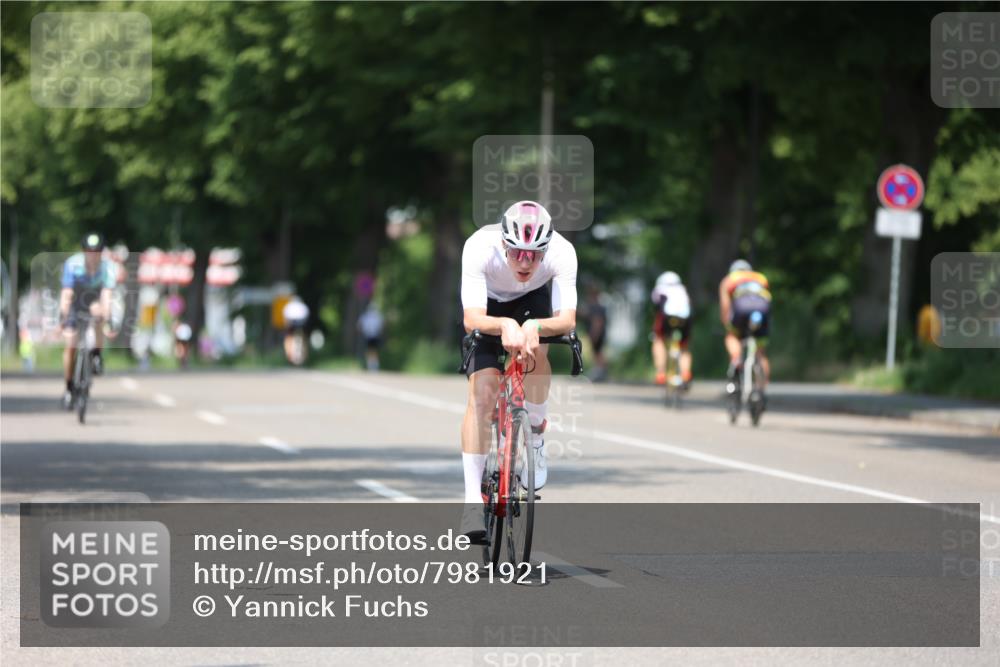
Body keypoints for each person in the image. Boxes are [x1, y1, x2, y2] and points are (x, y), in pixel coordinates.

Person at [459, 200, 577, 541]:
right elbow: (471, 318)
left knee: (537, 352)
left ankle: (535, 437)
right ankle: (471, 501)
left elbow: (567, 320)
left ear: (547, 248)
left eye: (535, 254)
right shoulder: (479, 246)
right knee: (482, 396)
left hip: (532, 303)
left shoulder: (563, 252)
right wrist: (504, 324)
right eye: (517, 253)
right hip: (488, 307)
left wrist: (534, 326)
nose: (526, 262)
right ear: (503, 244)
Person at [60, 233, 116, 408]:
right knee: (71, 344)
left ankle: (97, 354)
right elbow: (66, 293)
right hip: (75, 301)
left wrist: (108, 319)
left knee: (98, 315)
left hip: (94, 301)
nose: (93, 255)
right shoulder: (72, 264)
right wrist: (63, 315)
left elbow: (107, 295)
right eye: (89, 251)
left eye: (97, 251)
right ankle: (69, 386)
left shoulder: (108, 267)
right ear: (84, 251)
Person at [718, 259, 771, 385]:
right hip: (762, 311)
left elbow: (725, 305)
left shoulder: (729, 279)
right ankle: (762, 387)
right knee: (761, 352)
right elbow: (767, 299)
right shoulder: (760, 277)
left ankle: (736, 360)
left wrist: (726, 322)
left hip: (742, 310)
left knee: (732, 336)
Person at [650, 271, 692, 388]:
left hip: (667, 318)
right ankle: (685, 373)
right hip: (684, 319)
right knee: (684, 346)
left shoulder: (659, 289)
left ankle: (661, 373)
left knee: (658, 339)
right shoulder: (683, 289)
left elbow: (656, 307)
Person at [582, 284, 608, 382]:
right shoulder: (596, 306)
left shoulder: (595, 307)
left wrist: (594, 334)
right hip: (598, 333)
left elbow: (597, 322)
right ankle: (600, 371)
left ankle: (600, 371)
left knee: (598, 353)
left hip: (597, 334)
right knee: (597, 352)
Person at [282, 295, 310, 366]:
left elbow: (286, 319)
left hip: (292, 325)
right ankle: (305, 355)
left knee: (288, 337)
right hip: (302, 325)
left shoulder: (289, 306)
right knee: (304, 338)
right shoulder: (303, 306)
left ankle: (288, 354)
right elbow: (307, 317)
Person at [357, 302, 384, 371]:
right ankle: (373, 365)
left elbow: (359, 325)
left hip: (370, 336)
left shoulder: (367, 315)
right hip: (373, 336)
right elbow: (381, 325)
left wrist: (362, 332)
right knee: (373, 350)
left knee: (370, 350)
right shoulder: (377, 315)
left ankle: (372, 365)